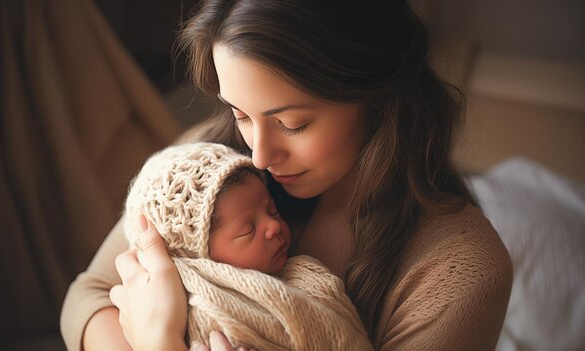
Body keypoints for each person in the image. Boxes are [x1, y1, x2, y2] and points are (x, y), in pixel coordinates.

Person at [60, 0, 513, 350]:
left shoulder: (460, 274)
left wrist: (159, 342)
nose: (258, 155)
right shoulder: (205, 165)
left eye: (292, 123)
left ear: (376, 91)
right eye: (239, 114)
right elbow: (87, 295)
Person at [121, 142, 372, 350]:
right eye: (248, 230)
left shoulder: (307, 277)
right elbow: (87, 290)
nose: (273, 226)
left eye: (272, 210)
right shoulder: (204, 314)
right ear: (200, 262)